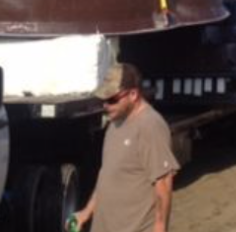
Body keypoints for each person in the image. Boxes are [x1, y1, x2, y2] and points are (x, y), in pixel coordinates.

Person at [69, 63, 178, 232]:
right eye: (104, 100)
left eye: (112, 100)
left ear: (133, 94)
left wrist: (160, 227)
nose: (106, 106)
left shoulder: (150, 126)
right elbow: (108, 175)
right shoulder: (115, 123)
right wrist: (87, 212)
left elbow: (163, 181)